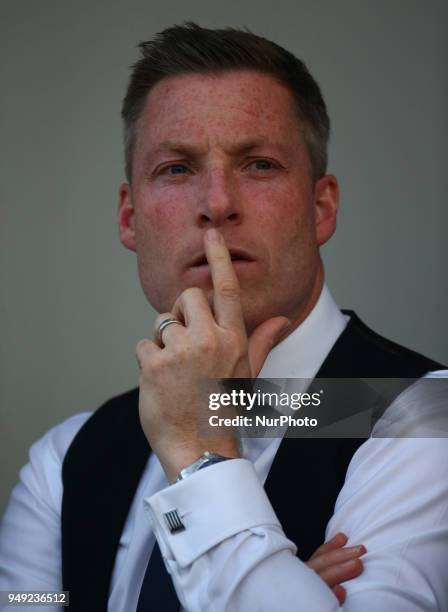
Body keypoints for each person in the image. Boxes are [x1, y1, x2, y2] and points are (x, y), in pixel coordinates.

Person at [1, 22, 447, 612]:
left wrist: (198, 453)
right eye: (177, 169)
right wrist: (283, 589)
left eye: (259, 164)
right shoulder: (66, 458)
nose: (216, 204)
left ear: (321, 207)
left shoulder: (424, 420)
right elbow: (30, 601)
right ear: (130, 217)